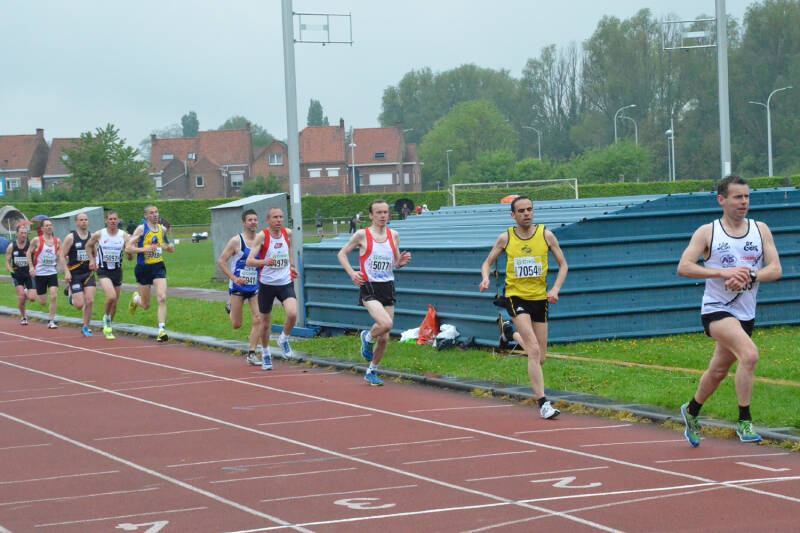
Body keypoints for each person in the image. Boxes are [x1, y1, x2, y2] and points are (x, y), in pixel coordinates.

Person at [677, 175, 782, 446]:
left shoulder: (761, 230)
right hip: (716, 310)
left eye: (746, 197)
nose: (744, 202)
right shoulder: (707, 232)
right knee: (750, 355)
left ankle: (691, 411)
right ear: (721, 200)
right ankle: (745, 422)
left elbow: (776, 269)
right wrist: (722, 272)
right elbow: (684, 267)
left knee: (718, 372)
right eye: (737, 197)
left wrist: (752, 276)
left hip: (746, 313)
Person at [479, 196, 568, 419]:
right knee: (534, 350)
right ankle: (543, 404)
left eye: (529, 209)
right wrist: (485, 278)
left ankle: (510, 333)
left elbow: (564, 265)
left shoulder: (546, 235)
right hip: (516, 297)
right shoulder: (505, 238)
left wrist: (555, 289)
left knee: (540, 357)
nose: (526, 213)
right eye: (521, 211)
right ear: (513, 215)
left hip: (540, 299)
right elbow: (487, 262)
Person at [337, 199, 412, 386]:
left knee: (385, 337)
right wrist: (352, 273)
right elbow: (341, 254)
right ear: (371, 215)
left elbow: (394, 263)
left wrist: (400, 262)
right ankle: (368, 337)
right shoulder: (362, 235)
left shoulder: (394, 235)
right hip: (368, 286)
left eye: (385, 212)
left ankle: (372, 371)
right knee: (386, 323)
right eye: (378, 213)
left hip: (387, 286)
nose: (383, 216)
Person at [246, 207, 299, 368]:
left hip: (284, 282)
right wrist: (264, 262)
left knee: (292, 313)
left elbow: (289, 247)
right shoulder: (262, 236)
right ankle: (266, 353)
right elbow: (249, 261)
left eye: (281, 217)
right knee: (265, 323)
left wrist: (291, 265)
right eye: (275, 217)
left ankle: (283, 339)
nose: (278, 220)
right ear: (268, 220)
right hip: (267, 284)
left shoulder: (287, 233)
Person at [217, 209, 269, 368]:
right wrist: (234, 278)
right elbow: (221, 261)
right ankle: (230, 306)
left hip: (254, 287)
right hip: (238, 287)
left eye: (255, 219)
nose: (253, 222)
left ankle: (252, 353)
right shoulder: (236, 241)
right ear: (244, 223)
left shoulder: (262, 240)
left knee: (259, 318)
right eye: (250, 220)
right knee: (236, 324)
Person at [126, 205, 175, 342]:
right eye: (151, 213)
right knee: (146, 305)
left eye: (156, 212)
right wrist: (144, 249)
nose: (155, 215)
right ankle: (136, 299)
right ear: (146, 216)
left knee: (162, 297)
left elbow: (159, 246)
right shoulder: (141, 229)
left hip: (158, 267)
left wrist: (167, 248)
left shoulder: (162, 229)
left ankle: (161, 330)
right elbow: (128, 248)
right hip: (143, 268)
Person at [86, 210, 130, 340]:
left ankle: (109, 328)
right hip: (103, 271)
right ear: (106, 221)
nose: (113, 221)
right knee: (111, 296)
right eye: (110, 219)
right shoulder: (100, 234)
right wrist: (92, 260)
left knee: (115, 303)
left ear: (118, 221)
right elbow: (88, 246)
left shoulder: (124, 235)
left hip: (117, 271)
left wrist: (129, 254)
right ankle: (106, 317)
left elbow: (129, 254)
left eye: (115, 219)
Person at [59, 212, 96, 337]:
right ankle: (70, 294)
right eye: (81, 220)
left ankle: (86, 327)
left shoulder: (92, 237)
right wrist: (67, 272)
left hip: (88, 273)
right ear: (76, 222)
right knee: (79, 305)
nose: (84, 222)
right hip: (74, 274)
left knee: (90, 300)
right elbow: (62, 256)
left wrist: (93, 261)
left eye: (86, 219)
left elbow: (95, 254)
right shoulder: (71, 237)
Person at [26, 218, 59, 329]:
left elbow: (60, 253)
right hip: (40, 274)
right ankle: (27, 292)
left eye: (50, 225)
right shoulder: (37, 240)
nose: (49, 227)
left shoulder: (57, 241)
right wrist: (31, 267)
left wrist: (62, 257)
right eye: (47, 225)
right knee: (43, 302)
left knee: (54, 295)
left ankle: (51, 320)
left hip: (52, 272)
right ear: (42, 228)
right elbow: (29, 253)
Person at [5, 224, 37, 325]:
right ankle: (23, 317)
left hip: (29, 275)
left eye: (25, 233)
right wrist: (11, 271)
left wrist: (34, 268)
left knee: (32, 298)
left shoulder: (30, 245)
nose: (24, 235)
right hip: (17, 275)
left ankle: (26, 292)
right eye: (22, 233)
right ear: (17, 234)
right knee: (21, 296)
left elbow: (37, 256)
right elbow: (7, 262)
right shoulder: (12, 246)